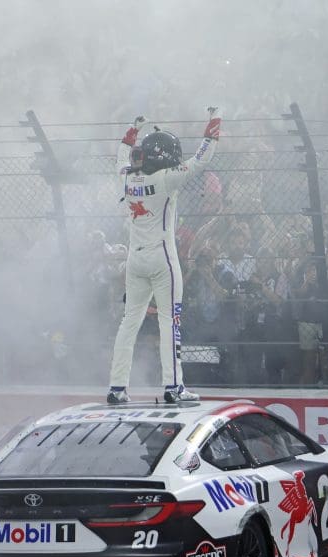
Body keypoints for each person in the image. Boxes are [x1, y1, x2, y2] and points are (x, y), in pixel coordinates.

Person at [107, 109, 221, 404]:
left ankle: (117, 388)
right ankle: (173, 387)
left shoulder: (127, 180)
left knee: (128, 322)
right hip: (163, 258)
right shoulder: (168, 178)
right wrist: (213, 125)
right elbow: (201, 159)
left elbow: (119, 159)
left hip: (135, 259)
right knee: (169, 321)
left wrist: (131, 130)